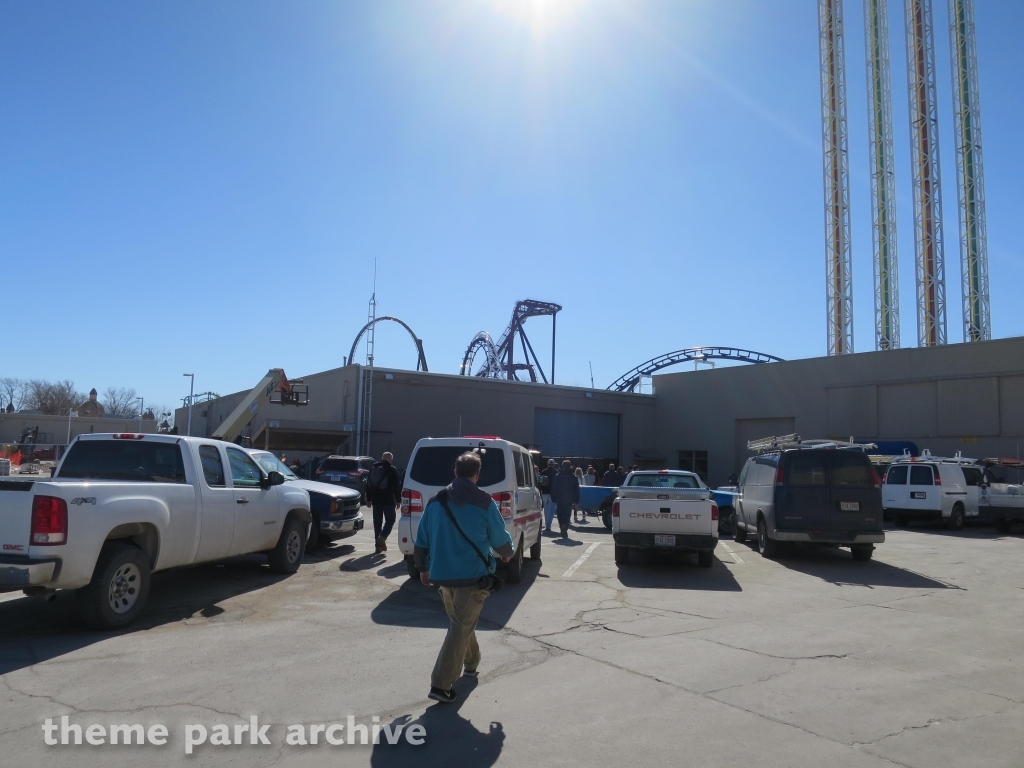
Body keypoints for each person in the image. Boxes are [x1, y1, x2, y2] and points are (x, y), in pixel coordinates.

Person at [414, 451, 515, 704]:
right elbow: (500, 539)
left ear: (455, 472)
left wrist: (422, 568)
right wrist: (507, 553)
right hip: (473, 577)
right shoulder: (485, 502)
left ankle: (471, 663)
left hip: (442, 575)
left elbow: (422, 539)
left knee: (461, 622)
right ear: (477, 474)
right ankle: (440, 685)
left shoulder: (436, 501)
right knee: (460, 626)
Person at [367, 451, 402, 554]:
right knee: (390, 520)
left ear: (382, 458)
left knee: (377, 523)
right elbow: (396, 487)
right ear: (390, 459)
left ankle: (377, 547)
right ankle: (382, 537)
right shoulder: (392, 469)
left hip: (376, 500)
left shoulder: (373, 469)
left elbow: (368, 485)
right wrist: (398, 500)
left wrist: (368, 499)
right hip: (388, 500)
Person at [551, 460, 581, 538]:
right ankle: (565, 526)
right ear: (570, 466)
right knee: (567, 514)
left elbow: (554, 488)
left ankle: (562, 525)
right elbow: (576, 489)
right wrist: (576, 500)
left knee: (560, 514)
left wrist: (553, 497)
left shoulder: (558, 476)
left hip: (560, 498)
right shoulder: (573, 476)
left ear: (562, 466)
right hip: (569, 498)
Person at [540, 458, 559, 531]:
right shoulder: (557, 472)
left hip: (545, 492)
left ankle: (546, 524)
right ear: (554, 465)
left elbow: (541, 482)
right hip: (553, 493)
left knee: (546, 508)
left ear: (548, 464)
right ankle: (548, 525)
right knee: (552, 509)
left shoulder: (544, 472)